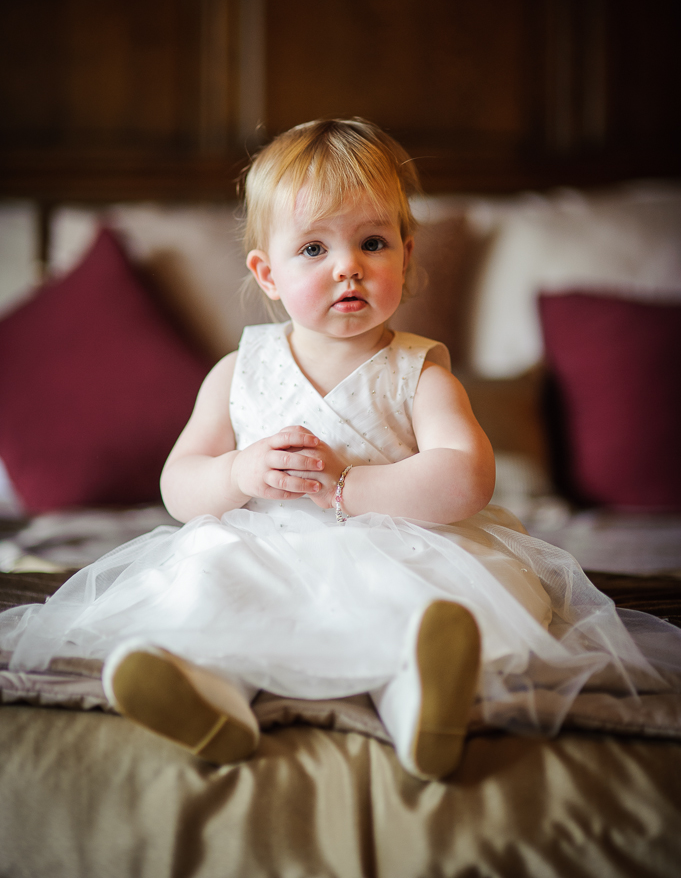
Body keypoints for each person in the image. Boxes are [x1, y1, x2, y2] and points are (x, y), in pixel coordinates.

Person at [1, 119, 679, 781]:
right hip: (262, 549)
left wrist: (346, 486)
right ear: (266, 273)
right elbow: (180, 484)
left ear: (407, 257)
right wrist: (238, 470)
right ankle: (207, 699)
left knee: (420, 617)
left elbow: (465, 477)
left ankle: (421, 703)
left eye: (373, 242)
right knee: (214, 596)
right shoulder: (237, 371)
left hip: (400, 551)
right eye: (313, 249)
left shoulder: (420, 374)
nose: (348, 267)